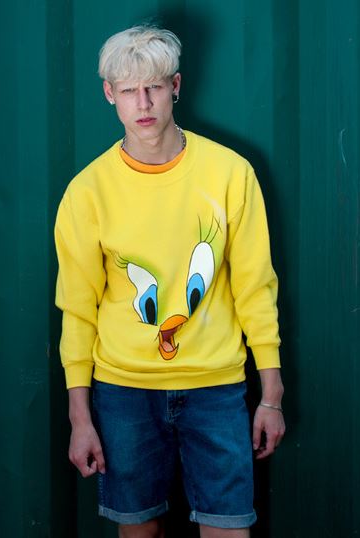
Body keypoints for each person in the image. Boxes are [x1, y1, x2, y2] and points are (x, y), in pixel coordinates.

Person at [55, 25, 285, 538]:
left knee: (229, 529)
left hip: (216, 387)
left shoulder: (230, 173)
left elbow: (255, 287)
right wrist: (79, 418)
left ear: (175, 86)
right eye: (128, 90)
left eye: (154, 87)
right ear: (109, 93)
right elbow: (78, 309)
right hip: (124, 392)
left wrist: (270, 393)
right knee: (140, 531)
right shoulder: (87, 192)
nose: (143, 103)